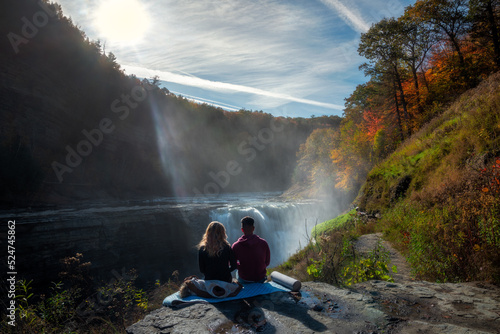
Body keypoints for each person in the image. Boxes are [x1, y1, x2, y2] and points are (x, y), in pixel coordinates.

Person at [232, 216, 270, 283]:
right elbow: (267, 262)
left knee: (237, 273)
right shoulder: (264, 243)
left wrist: (242, 267)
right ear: (253, 228)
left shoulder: (236, 246)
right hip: (260, 278)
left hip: (245, 278)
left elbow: (233, 264)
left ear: (242, 229)